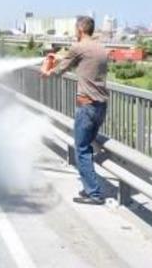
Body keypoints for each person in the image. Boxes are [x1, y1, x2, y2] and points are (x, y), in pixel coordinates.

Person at [41, 16, 109, 205]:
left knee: (81, 149)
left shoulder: (79, 47)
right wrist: (60, 58)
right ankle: (90, 187)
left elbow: (61, 69)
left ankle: (94, 193)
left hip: (86, 106)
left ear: (79, 29)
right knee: (87, 147)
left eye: (74, 29)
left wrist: (48, 72)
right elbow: (81, 62)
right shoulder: (101, 48)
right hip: (101, 105)